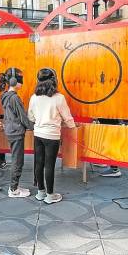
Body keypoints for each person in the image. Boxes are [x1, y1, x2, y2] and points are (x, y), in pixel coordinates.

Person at [28, 68, 77, 204]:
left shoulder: (34, 97)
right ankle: (50, 195)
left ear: (38, 81)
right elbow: (67, 118)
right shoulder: (59, 98)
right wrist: (73, 129)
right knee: (49, 165)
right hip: (52, 136)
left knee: (39, 163)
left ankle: (40, 192)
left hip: (38, 134)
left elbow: (30, 116)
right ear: (54, 80)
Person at [0, 67, 34, 198]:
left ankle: (15, 186)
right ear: (13, 80)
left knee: (16, 159)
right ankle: (13, 189)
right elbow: (23, 117)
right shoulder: (14, 98)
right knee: (17, 161)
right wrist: (34, 126)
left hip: (11, 131)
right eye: (20, 79)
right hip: (16, 132)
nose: (22, 81)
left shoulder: (6, 96)